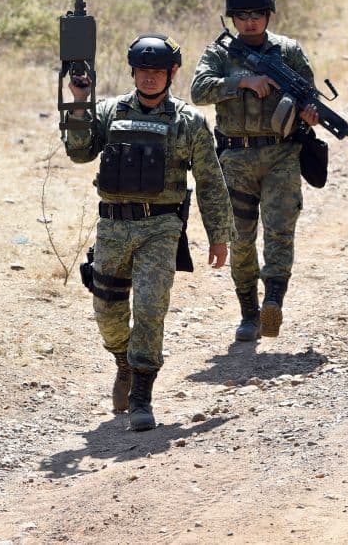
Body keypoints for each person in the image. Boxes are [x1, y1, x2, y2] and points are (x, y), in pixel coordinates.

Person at [64, 34, 233, 431]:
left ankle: (142, 392)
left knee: (150, 307)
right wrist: (78, 102)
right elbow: (78, 152)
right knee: (107, 312)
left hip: (161, 226)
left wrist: (218, 234)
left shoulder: (188, 121)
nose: (150, 78)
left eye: (158, 71)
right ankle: (122, 360)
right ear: (133, 71)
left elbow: (210, 181)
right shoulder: (109, 111)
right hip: (113, 226)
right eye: (143, 71)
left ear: (173, 73)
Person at [190, 0, 320, 343]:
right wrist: (242, 84)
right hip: (235, 158)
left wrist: (310, 114)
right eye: (242, 15)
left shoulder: (288, 51)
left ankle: (273, 302)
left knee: (280, 231)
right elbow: (198, 90)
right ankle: (248, 312)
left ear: (269, 15)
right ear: (232, 17)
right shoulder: (219, 54)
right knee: (241, 240)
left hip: (281, 155)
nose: (250, 22)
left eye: (258, 14)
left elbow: (308, 97)